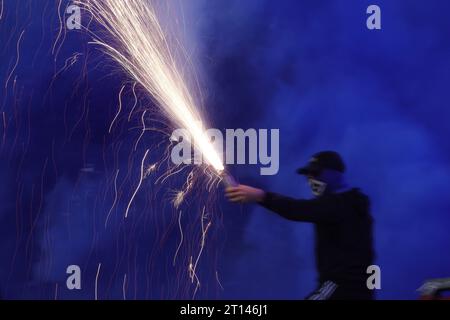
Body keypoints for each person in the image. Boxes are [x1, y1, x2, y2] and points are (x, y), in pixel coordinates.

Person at [226, 151, 375, 300]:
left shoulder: (340, 204)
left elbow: (297, 209)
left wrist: (261, 196)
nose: (311, 179)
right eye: (308, 175)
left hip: (340, 286)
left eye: (316, 173)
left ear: (335, 174)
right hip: (355, 289)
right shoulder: (354, 204)